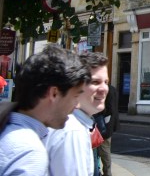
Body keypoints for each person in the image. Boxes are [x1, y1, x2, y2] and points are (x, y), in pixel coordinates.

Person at [0, 46, 88, 175]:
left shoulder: (7, 130)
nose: (77, 105)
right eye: (75, 96)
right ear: (54, 93)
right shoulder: (30, 154)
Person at [46, 52, 109, 176]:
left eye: (106, 82)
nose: (104, 89)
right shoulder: (72, 130)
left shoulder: (74, 124)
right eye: (95, 82)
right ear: (76, 85)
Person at [95, 83, 119, 176]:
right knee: (103, 149)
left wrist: (97, 111)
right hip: (108, 124)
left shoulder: (108, 90)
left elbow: (110, 109)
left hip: (105, 125)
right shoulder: (112, 88)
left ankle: (107, 173)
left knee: (104, 149)